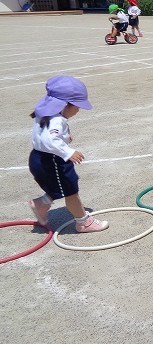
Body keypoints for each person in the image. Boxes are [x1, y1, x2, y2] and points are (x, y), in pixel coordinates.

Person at [26, 76, 109, 233]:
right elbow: (49, 139)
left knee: (60, 186)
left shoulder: (44, 113)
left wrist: (64, 138)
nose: (78, 110)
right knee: (71, 191)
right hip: (53, 160)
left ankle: (41, 204)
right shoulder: (57, 119)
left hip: (39, 158)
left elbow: (43, 134)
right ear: (63, 105)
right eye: (76, 106)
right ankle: (83, 222)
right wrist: (68, 151)